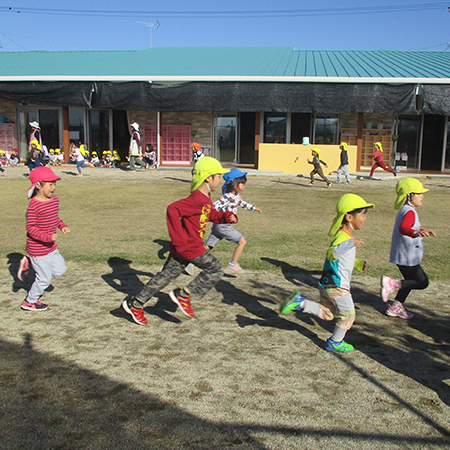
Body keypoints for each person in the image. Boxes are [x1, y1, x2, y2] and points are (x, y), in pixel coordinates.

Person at [121, 157, 237, 325]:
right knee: (216, 269)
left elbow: (210, 214)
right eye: (218, 176)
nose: (220, 180)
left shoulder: (205, 197)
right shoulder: (197, 198)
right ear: (208, 177)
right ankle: (183, 295)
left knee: (165, 276)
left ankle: (136, 303)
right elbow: (173, 209)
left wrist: (226, 216)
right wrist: (178, 240)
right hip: (189, 247)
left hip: (183, 248)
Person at [280, 193, 374, 352]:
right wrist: (350, 243)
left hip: (328, 285)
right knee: (348, 315)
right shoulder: (344, 238)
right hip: (337, 286)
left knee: (328, 314)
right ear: (349, 217)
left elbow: (341, 259)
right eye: (363, 214)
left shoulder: (345, 237)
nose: (365, 218)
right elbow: (332, 254)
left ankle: (299, 302)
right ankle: (335, 342)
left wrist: (358, 264)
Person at [380, 178, 436, 319]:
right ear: (408, 195)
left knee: (409, 281)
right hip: (407, 256)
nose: (422, 196)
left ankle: (396, 306)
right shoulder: (410, 211)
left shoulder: (406, 210)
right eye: (418, 193)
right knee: (422, 282)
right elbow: (404, 228)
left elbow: (409, 227)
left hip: (403, 254)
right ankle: (391, 284)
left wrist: (421, 231)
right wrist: (415, 233)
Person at [20, 166, 70, 310]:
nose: (53, 188)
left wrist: (62, 226)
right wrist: (47, 237)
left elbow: (54, 217)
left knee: (60, 270)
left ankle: (30, 264)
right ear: (38, 185)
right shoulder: (33, 207)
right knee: (44, 280)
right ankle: (29, 302)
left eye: (54, 184)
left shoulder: (54, 201)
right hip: (37, 250)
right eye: (50, 184)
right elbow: (31, 229)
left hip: (51, 248)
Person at [205, 168, 262, 273]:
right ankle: (233, 264)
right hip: (223, 226)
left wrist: (254, 208)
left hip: (219, 226)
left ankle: (189, 260)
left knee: (208, 246)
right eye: (242, 184)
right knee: (242, 241)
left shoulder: (237, 196)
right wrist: (205, 218)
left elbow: (242, 203)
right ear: (234, 183)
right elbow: (214, 206)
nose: (244, 187)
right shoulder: (227, 196)